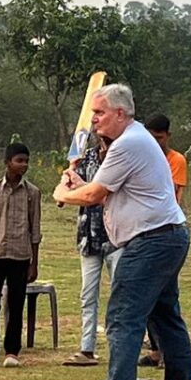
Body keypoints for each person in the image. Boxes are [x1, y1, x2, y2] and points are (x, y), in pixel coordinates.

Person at [53, 84, 191, 380]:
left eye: (99, 113)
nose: (93, 120)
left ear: (121, 113)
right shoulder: (131, 141)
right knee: (165, 316)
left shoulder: (129, 144)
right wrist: (77, 183)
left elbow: (94, 195)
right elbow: (106, 192)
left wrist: (64, 191)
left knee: (123, 318)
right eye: (92, 114)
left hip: (151, 242)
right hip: (166, 237)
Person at [0, 143, 42, 369]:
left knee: (16, 303)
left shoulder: (32, 193)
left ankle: (12, 351)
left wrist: (34, 263)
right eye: (19, 160)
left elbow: (35, 230)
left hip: (21, 257)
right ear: (7, 162)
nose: (23, 165)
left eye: (26, 161)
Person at [63, 136, 119, 367]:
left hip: (116, 236)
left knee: (122, 295)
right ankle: (87, 348)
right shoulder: (86, 159)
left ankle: (122, 349)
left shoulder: (120, 157)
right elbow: (73, 191)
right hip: (89, 236)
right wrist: (68, 181)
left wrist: (80, 187)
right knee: (88, 295)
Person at [140, 114, 189, 368]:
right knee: (149, 297)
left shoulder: (175, 160)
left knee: (165, 296)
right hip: (147, 228)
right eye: (151, 137)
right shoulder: (146, 157)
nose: (155, 142)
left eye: (159, 138)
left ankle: (167, 351)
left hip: (166, 228)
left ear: (168, 136)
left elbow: (174, 195)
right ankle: (157, 349)